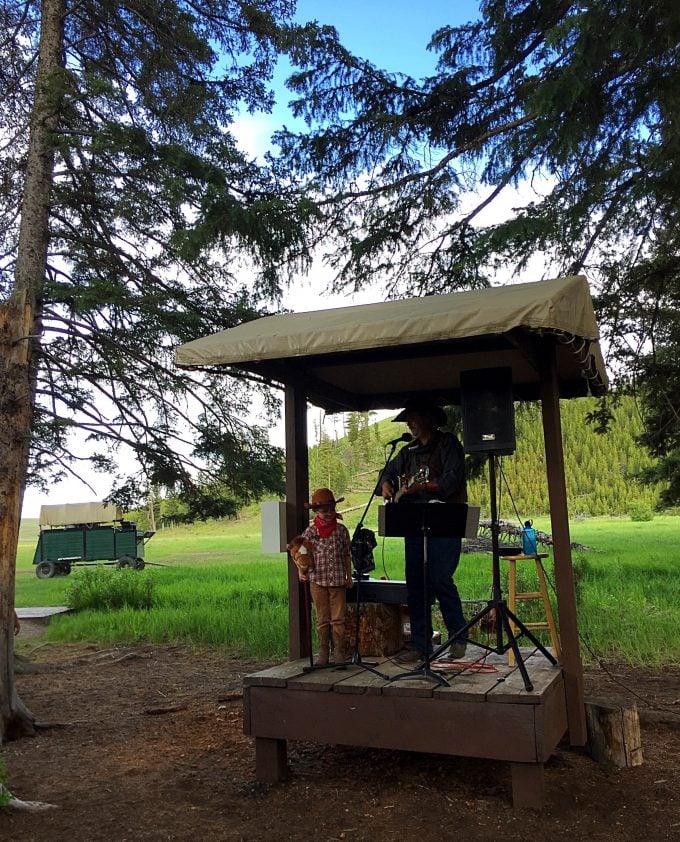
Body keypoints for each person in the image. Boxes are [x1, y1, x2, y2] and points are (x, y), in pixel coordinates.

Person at [378, 398, 468, 661]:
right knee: (416, 583)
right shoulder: (407, 452)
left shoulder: (449, 444)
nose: (410, 424)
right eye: (408, 421)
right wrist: (385, 483)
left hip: (444, 519)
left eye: (413, 419)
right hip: (414, 523)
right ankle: (420, 645)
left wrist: (424, 487)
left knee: (440, 577)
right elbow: (387, 472)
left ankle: (458, 635)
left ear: (429, 419)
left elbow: (452, 480)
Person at [300, 488, 353, 666]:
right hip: (317, 580)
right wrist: (301, 571)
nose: (329, 514)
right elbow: (300, 554)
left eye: (331, 510)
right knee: (322, 618)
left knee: (338, 618)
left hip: (337, 579)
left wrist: (349, 576)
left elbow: (347, 554)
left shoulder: (341, 531)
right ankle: (323, 651)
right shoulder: (310, 532)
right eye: (324, 511)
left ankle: (339, 651)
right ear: (316, 512)